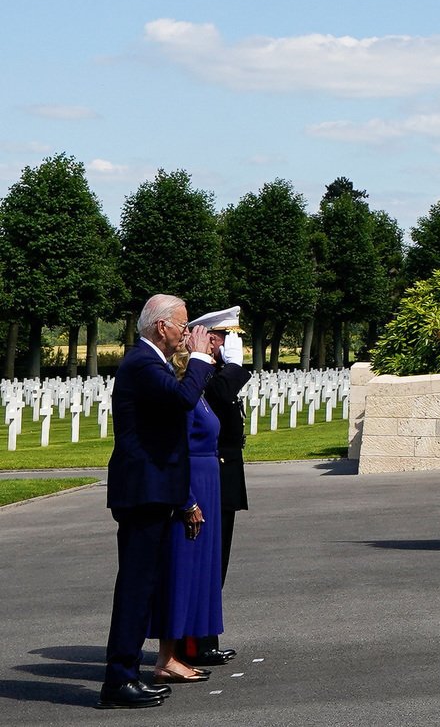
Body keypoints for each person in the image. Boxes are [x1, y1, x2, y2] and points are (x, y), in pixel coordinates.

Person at [100, 295, 214, 709]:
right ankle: (118, 679)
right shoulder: (141, 364)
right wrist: (200, 358)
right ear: (160, 327)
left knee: (144, 586)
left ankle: (125, 674)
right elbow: (181, 399)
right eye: (182, 325)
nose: (187, 332)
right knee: (134, 587)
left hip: (155, 491)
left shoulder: (153, 363)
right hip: (141, 491)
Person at [176, 305, 249, 668]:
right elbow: (220, 396)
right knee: (204, 562)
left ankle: (204, 640)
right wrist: (235, 367)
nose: (228, 344)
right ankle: (192, 643)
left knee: (216, 564)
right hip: (208, 474)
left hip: (226, 473)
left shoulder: (217, 371)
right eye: (222, 337)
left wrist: (231, 367)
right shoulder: (200, 372)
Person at [147, 354, 224, 686]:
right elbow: (175, 451)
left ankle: (176, 653)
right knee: (179, 571)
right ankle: (166, 659)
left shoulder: (199, 396)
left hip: (207, 483)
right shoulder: (184, 398)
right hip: (192, 486)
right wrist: (187, 500)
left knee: (195, 573)